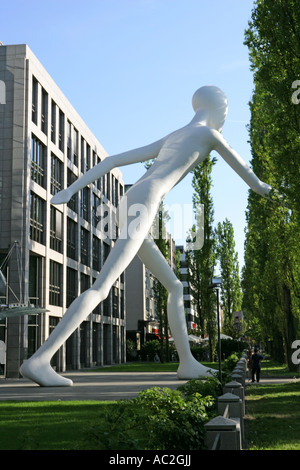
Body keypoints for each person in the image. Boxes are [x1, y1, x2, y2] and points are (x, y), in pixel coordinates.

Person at [20, 86, 276, 387]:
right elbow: (255, 181)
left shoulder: (175, 135)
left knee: (173, 286)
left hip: (131, 200)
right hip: (147, 200)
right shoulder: (210, 135)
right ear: (221, 109)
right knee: (102, 287)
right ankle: (40, 359)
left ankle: (187, 362)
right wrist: (281, 195)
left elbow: (113, 160)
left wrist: (71, 189)